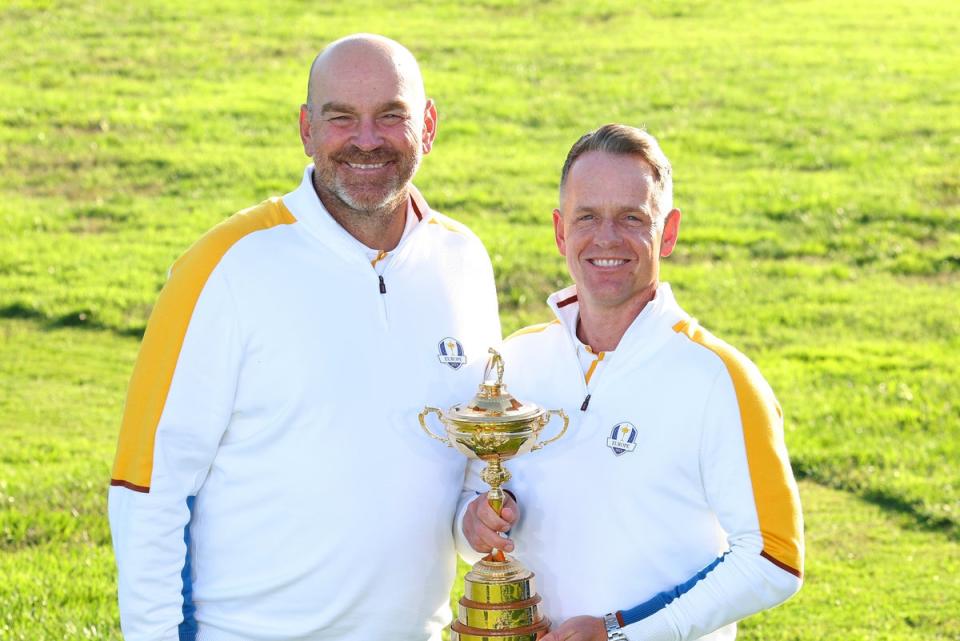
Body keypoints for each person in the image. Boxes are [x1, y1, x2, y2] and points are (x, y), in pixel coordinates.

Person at [109, 34, 501, 641]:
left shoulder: (463, 261)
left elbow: (467, 476)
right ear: (306, 129)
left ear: (427, 125)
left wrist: (477, 521)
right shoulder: (224, 267)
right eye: (341, 117)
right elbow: (147, 491)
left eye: (390, 115)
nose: (366, 139)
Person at [457, 124, 803, 641]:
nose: (607, 239)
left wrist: (622, 632)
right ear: (559, 231)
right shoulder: (512, 362)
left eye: (632, 218)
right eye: (587, 216)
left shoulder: (720, 379)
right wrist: (472, 524)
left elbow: (775, 558)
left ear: (668, 231)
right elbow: (466, 510)